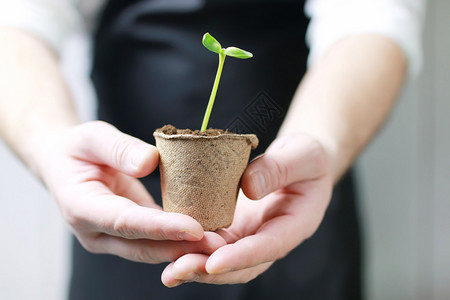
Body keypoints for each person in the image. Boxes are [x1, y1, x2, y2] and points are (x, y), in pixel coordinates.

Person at [0, 0, 425, 299]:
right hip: (118, 206)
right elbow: (17, 18)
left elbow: (373, 15)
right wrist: (52, 146)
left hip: (292, 195)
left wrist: (323, 142)